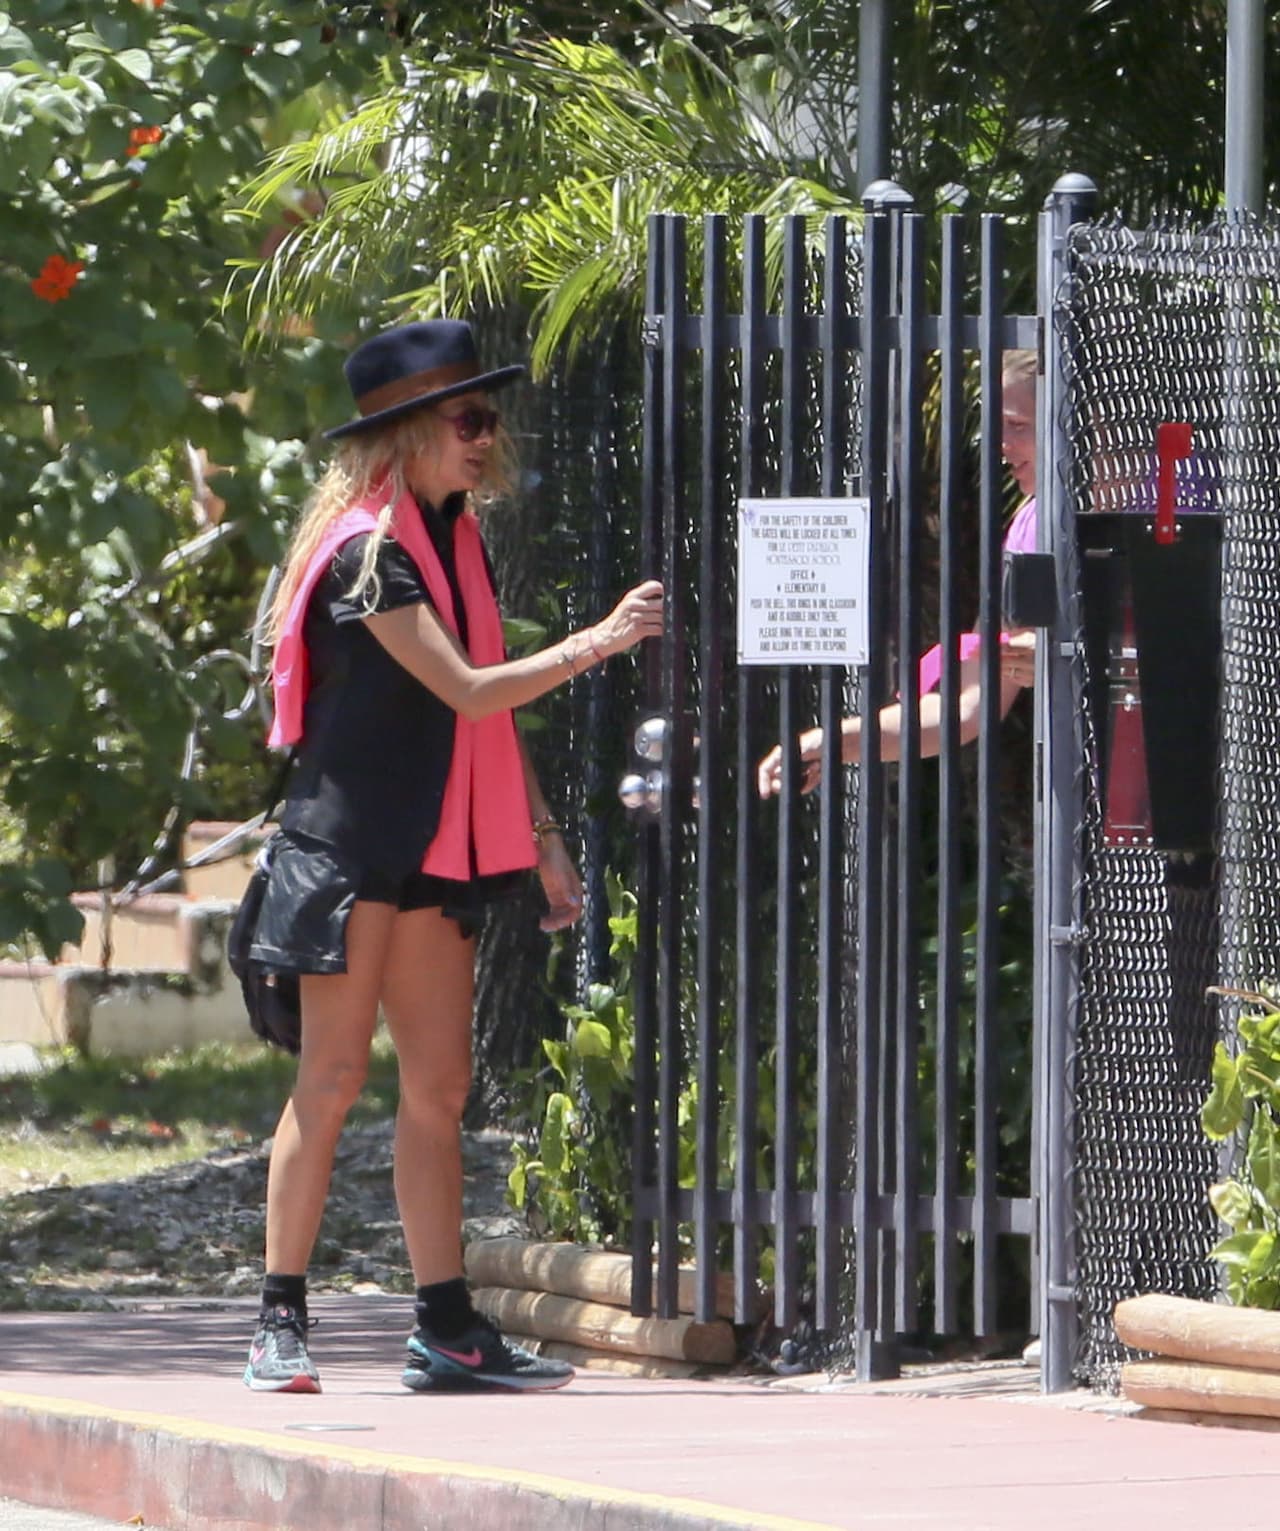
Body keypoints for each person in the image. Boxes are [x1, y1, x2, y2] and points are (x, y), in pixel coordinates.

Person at [243, 319, 664, 1395]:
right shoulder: (368, 554)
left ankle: (446, 1328)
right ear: (403, 437)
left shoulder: (455, 538)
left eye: (488, 418)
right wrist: (601, 639)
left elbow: (480, 716)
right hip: (346, 849)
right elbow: (473, 689)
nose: (486, 438)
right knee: (329, 1081)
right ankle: (279, 1319)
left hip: (434, 845)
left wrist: (544, 839)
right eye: (466, 420)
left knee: (438, 1088)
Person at [757, 352, 1038, 797]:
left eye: (1017, 425)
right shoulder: (1028, 526)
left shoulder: (1151, 500)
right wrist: (832, 742)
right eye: (996, 425)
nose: (999, 444)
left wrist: (1069, 653)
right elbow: (965, 708)